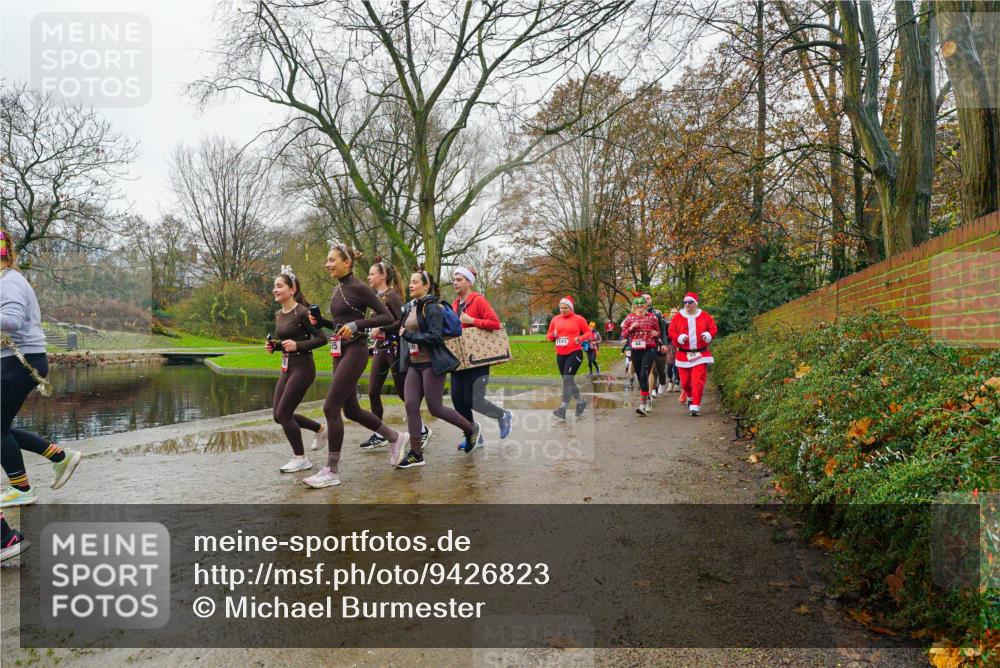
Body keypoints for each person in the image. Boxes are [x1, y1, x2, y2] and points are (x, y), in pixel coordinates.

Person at [305, 242, 409, 486]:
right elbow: (340, 324)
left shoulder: (360, 287)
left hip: (356, 350)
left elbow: (387, 317)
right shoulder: (338, 289)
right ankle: (394, 437)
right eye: (327, 260)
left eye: (332, 260)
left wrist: (357, 325)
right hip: (340, 351)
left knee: (331, 407)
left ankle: (331, 470)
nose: (327, 264)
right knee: (350, 410)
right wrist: (322, 321)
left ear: (347, 263)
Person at [1, 229, 82, 508]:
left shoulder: (10, 282)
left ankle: (22, 488)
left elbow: (11, 321)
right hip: (15, 361)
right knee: (2, 428)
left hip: (20, 362)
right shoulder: (5, 280)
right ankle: (60, 457)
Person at [397, 268, 482, 468]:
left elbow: (435, 337)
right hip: (414, 364)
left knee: (435, 408)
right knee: (410, 406)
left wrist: (409, 336)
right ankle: (416, 453)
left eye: (415, 282)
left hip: (432, 364)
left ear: (426, 286)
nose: (411, 285)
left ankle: (471, 429)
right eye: (410, 281)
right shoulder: (411, 307)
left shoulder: (432, 307)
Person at [356, 258, 427, 450]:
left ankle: (421, 429)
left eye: (372, 274)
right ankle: (379, 432)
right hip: (380, 350)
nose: (368, 277)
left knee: (404, 394)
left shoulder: (393, 296)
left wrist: (382, 328)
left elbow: (401, 322)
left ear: (383, 276)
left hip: (395, 350)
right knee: (372, 392)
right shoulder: (376, 297)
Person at [266, 265, 327, 474]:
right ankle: (319, 429)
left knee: (284, 414)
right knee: (278, 415)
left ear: (292, 290)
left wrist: (298, 345)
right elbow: (286, 341)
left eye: (279, 286)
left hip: (303, 367)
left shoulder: (302, 312)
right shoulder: (278, 314)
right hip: (287, 366)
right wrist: (274, 346)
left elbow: (322, 339)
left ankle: (300, 458)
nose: (275, 289)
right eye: (274, 286)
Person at [450, 266, 512, 451]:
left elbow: (494, 323)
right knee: (458, 400)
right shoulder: (454, 304)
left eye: (459, 279)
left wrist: (472, 321)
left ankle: (502, 415)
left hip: (477, 359)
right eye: (454, 279)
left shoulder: (479, 301)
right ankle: (473, 436)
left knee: (473, 400)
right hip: (459, 360)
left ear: (469, 282)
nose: (455, 282)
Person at [668, 292, 718, 417]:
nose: (687, 305)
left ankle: (695, 405)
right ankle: (689, 396)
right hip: (683, 355)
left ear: (695, 303)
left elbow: (713, 328)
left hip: (700, 354)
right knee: (685, 382)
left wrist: (709, 335)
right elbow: (671, 331)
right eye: (685, 302)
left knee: (698, 380)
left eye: (690, 302)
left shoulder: (705, 316)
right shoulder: (678, 317)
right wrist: (677, 337)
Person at [546, 296, 593, 419]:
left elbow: (589, 333)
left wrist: (580, 338)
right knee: (568, 381)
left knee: (567, 379)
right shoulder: (555, 319)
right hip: (560, 354)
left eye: (565, 308)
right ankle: (580, 402)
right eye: (561, 308)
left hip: (575, 353)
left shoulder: (579, 319)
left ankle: (563, 408)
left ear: (570, 308)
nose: (562, 310)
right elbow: (549, 336)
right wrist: (553, 335)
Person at [621, 296, 661, 416]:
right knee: (640, 376)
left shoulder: (652, 317)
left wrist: (656, 333)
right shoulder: (630, 317)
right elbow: (623, 335)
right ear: (634, 305)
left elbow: (658, 332)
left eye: (642, 304)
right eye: (637, 304)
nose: (639, 306)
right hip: (636, 349)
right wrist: (631, 327)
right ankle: (647, 398)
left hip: (649, 348)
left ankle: (642, 405)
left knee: (644, 373)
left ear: (646, 305)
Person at [643, 293, 670, 398]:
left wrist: (664, 343)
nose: (646, 300)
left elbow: (663, 330)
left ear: (651, 300)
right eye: (644, 299)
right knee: (651, 368)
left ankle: (663, 382)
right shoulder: (637, 313)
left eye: (648, 298)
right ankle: (653, 389)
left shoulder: (657, 314)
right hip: (646, 346)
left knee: (660, 369)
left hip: (658, 344)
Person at [665, 307, 681, 392]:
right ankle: (670, 382)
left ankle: (677, 383)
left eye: (675, 312)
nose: (674, 314)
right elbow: (664, 335)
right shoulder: (667, 323)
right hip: (670, 346)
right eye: (672, 312)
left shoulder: (682, 323)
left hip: (679, 346)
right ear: (670, 314)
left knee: (676, 366)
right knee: (669, 365)